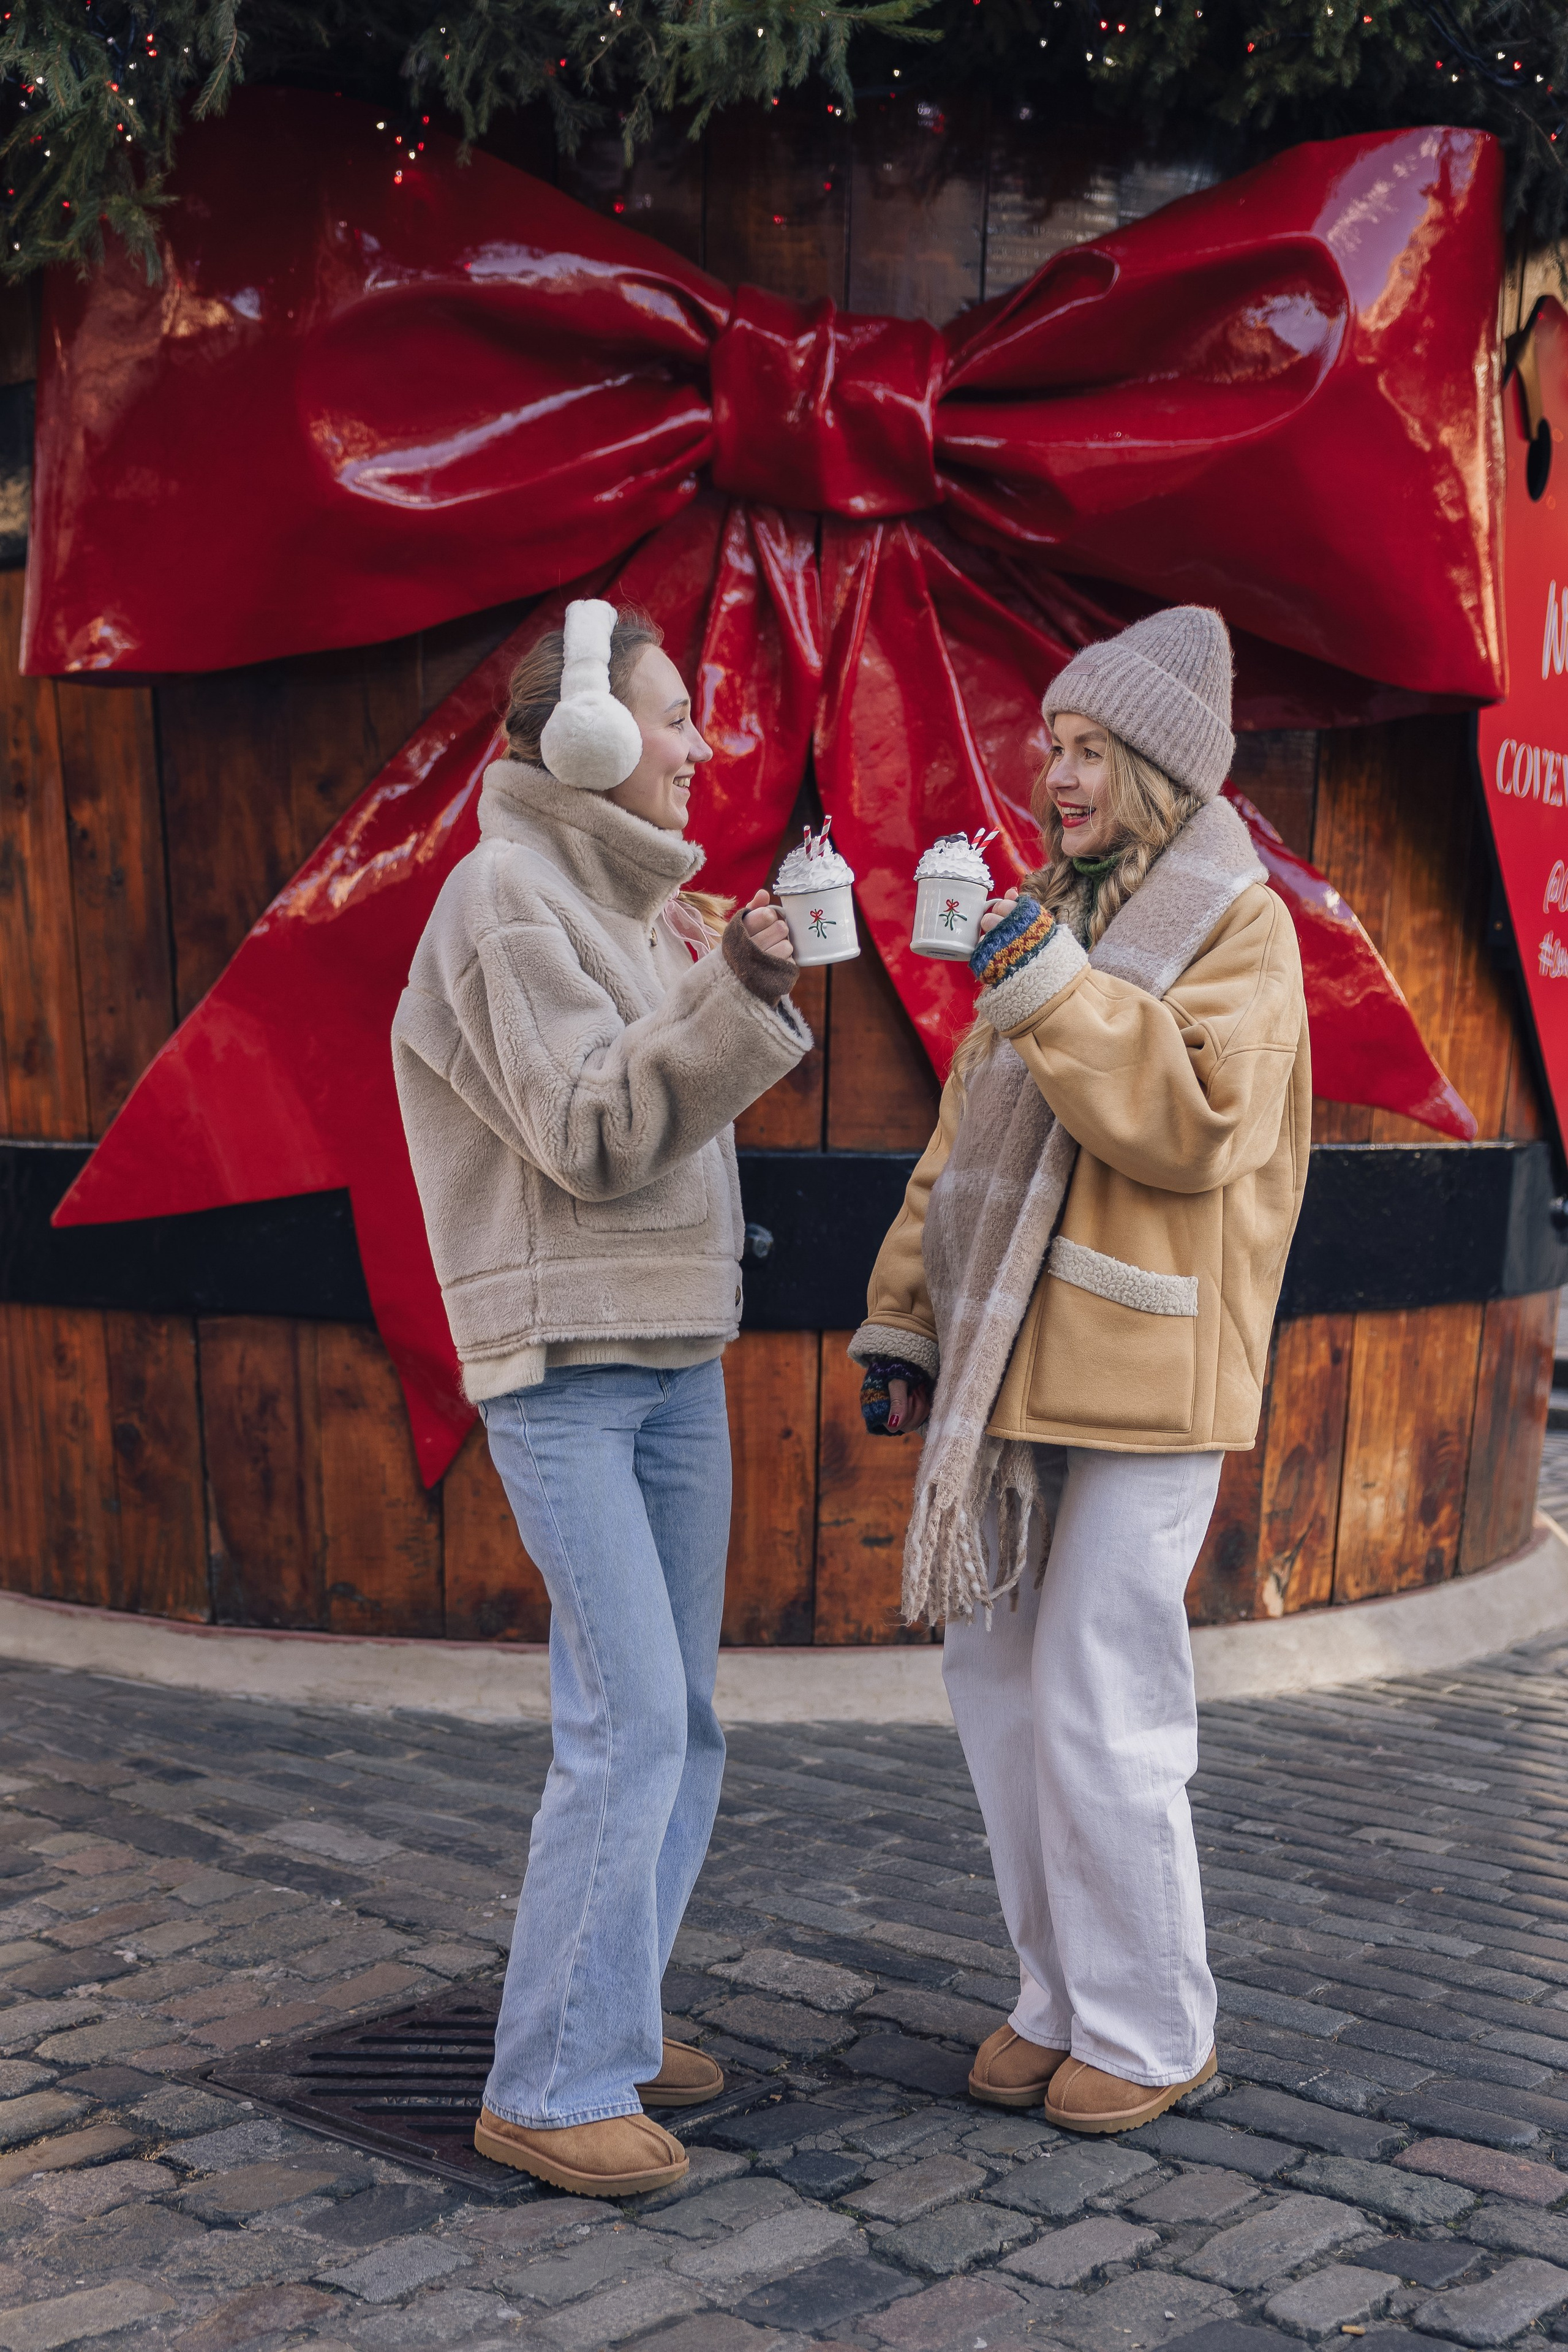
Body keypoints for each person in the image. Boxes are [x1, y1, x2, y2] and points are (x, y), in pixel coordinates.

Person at [852, 606, 1310, 2134]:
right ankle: (1055, 1996)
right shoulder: (1048, 904)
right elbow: (963, 1136)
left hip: (1145, 1367)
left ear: (1160, 771)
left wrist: (1045, 980)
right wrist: (904, 1319)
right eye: (1050, 744)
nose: (1051, 772)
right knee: (997, 1681)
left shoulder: (1238, 923)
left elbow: (1189, 1122)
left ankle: (1152, 2018)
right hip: (1009, 1362)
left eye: (1086, 748)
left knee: (1101, 1690)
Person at [392, 598, 810, 2197]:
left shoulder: (643, 910)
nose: (702, 744)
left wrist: (727, 978)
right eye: (673, 715)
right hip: (569, 1368)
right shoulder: (505, 903)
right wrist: (737, 1001)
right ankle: (551, 2082)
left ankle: (610, 2017)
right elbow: (589, 1132)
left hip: (672, 1355)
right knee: (626, 1720)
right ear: (582, 740)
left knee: (683, 1719)